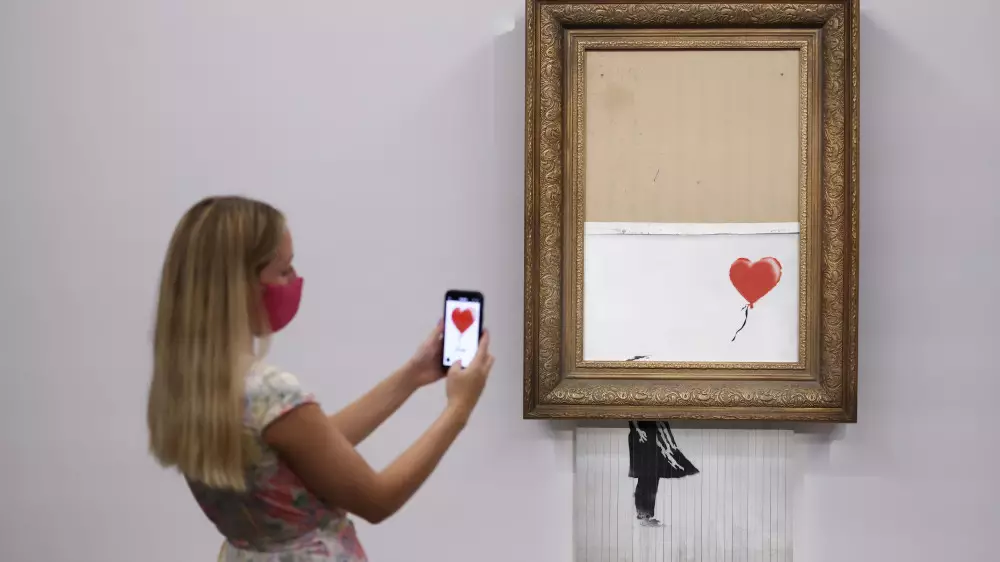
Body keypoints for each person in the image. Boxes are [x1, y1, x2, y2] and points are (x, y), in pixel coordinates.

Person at [146, 196, 495, 561]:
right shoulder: (269, 390)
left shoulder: (189, 384)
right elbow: (378, 500)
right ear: (239, 285)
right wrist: (459, 409)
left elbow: (311, 449)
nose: (294, 280)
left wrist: (411, 376)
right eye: (284, 271)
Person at [627, 421, 698, 527]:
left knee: (652, 477)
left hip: (652, 436)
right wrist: (638, 430)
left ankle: (645, 515)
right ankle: (643, 515)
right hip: (643, 437)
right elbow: (631, 415)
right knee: (646, 477)